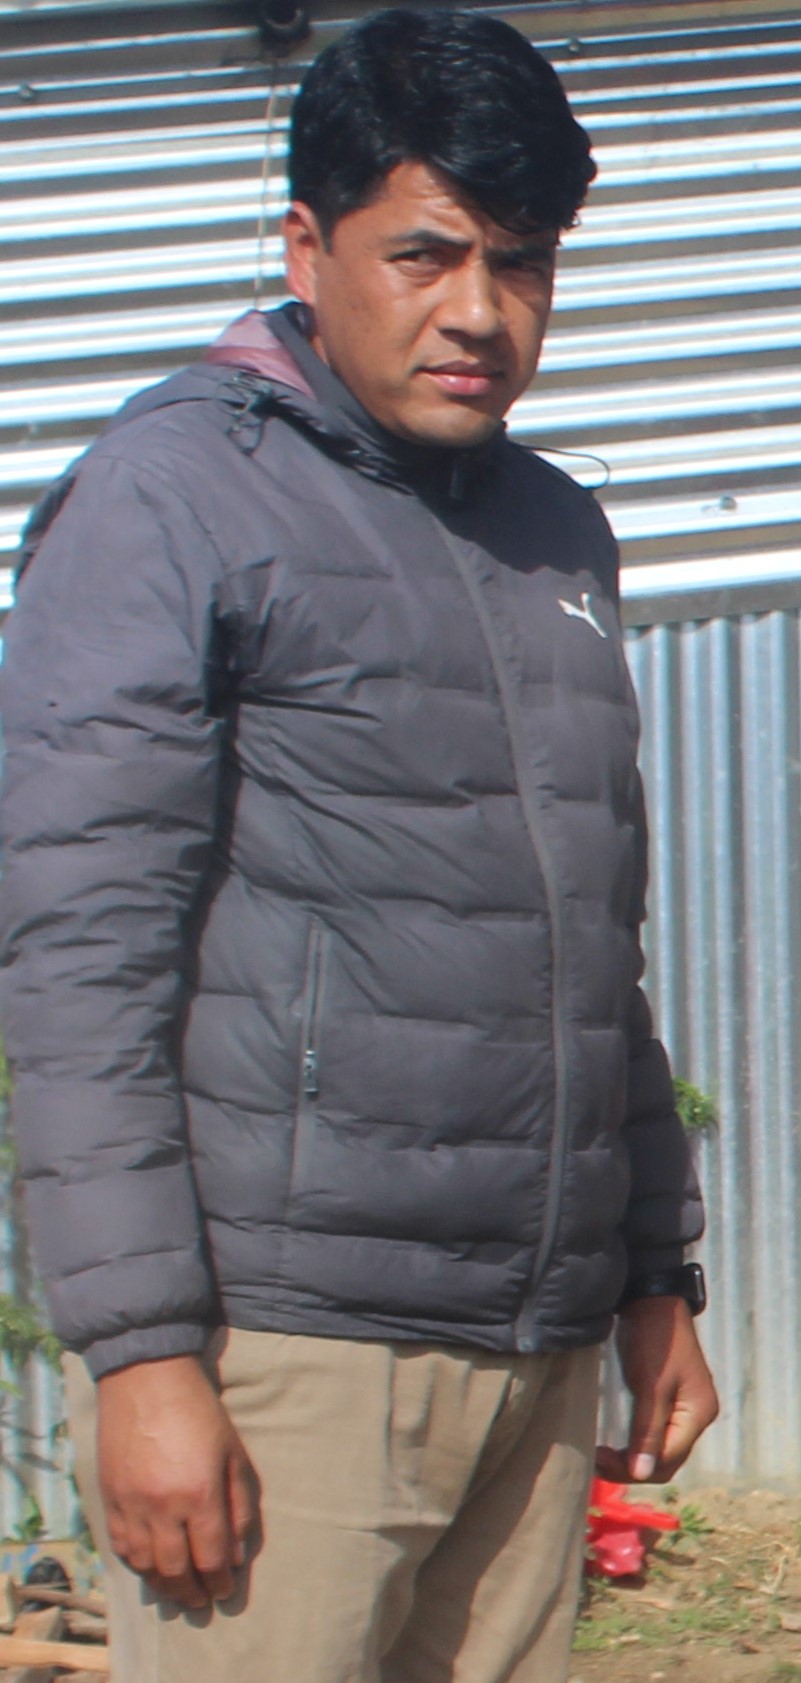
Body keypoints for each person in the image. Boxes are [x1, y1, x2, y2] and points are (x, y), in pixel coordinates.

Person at [0, 12, 717, 1682]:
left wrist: (654, 1268)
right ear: (307, 247)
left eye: (525, 263)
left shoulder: (552, 527)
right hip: (289, 1357)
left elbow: (584, 946)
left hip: (530, 1358)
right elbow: (80, 958)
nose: (481, 309)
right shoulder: (174, 500)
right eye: (427, 252)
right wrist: (142, 1356)